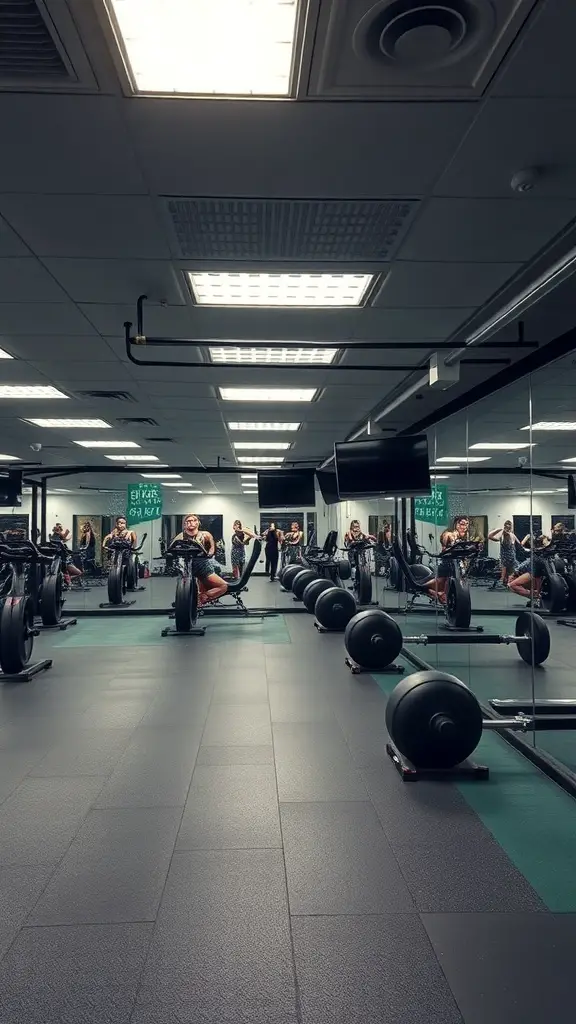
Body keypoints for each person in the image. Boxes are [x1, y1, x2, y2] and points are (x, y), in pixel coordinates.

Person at [172, 514, 227, 606]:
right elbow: (171, 549)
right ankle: (189, 601)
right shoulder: (180, 537)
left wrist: (209, 554)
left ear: (198, 523)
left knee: (223, 586)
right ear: (185, 524)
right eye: (188, 521)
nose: (191, 523)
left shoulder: (206, 535)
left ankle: (202, 597)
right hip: (187, 565)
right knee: (186, 586)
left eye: (193, 520)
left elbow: (212, 548)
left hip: (203, 564)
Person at [426, 514, 470, 606]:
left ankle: (443, 597)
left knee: (452, 585)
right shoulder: (448, 534)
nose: (464, 527)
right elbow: (445, 550)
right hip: (447, 564)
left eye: (466, 524)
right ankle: (430, 591)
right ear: (456, 524)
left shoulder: (462, 536)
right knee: (442, 583)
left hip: (456, 564)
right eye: (462, 524)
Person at [508, 535, 549, 606]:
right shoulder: (533, 552)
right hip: (531, 573)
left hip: (536, 575)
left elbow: (537, 575)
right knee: (511, 584)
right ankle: (535, 597)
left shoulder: (540, 555)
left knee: (512, 585)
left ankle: (537, 597)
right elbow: (522, 546)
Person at [488, 520, 519, 586]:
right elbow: (490, 536)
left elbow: (490, 536)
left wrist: (498, 530)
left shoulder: (511, 535)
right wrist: (498, 530)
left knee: (508, 575)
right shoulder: (503, 536)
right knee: (506, 575)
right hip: (507, 558)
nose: (508, 529)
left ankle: (506, 584)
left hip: (510, 558)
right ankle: (505, 584)